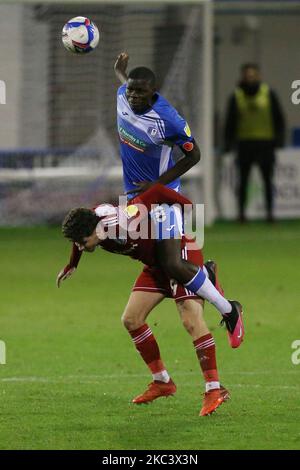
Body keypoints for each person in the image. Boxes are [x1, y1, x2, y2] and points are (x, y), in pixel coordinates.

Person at [57, 184, 240, 416]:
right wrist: (73, 263)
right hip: (156, 266)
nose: (81, 246)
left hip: (178, 253)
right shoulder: (92, 223)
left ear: (94, 229)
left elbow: (155, 193)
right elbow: (79, 240)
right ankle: (162, 382)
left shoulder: (123, 221)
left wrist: (187, 206)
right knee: (131, 319)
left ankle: (215, 389)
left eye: (82, 242)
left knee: (190, 320)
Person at [113, 52, 244, 346]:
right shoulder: (123, 94)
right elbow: (127, 85)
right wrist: (121, 73)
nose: (133, 96)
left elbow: (194, 154)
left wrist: (156, 185)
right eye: (131, 89)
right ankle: (204, 273)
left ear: (153, 92)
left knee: (172, 264)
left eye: (140, 91)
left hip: (163, 197)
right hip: (136, 197)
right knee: (149, 256)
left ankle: (229, 308)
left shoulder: (168, 120)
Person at [224, 63, 285, 223]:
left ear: (258, 76)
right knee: (243, 180)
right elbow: (230, 121)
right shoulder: (236, 96)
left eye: (252, 75)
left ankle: (270, 214)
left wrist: (279, 139)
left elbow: (279, 118)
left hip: (266, 143)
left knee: (267, 180)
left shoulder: (268, 94)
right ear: (243, 76)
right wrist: (228, 142)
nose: (250, 78)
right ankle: (241, 214)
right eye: (247, 75)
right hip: (244, 144)